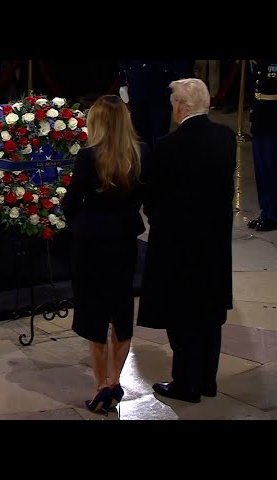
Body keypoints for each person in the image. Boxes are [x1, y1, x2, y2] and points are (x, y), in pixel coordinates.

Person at [137, 78, 236, 403]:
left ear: (180, 107)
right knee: (210, 312)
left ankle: (185, 383)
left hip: (179, 247)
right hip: (215, 245)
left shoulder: (167, 147)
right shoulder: (226, 138)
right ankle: (207, 380)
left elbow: (151, 198)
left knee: (183, 314)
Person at [61, 94, 148, 413]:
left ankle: (100, 386)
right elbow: (143, 196)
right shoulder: (140, 153)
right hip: (124, 240)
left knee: (93, 312)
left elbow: (71, 202)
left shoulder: (88, 156)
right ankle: (114, 381)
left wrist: (79, 223)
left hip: (90, 243)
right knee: (122, 309)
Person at [118, 60, 190, 147]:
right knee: (140, 134)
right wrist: (123, 82)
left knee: (160, 133)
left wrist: (182, 79)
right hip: (138, 83)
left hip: (162, 85)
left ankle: (158, 158)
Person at [247, 59, 277, 232]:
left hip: (273, 119)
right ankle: (266, 211)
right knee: (261, 168)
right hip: (260, 116)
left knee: (272, 168)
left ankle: (273, 214)